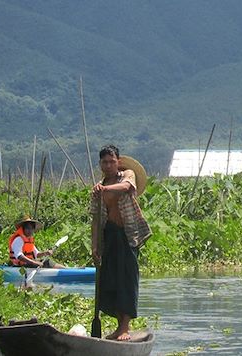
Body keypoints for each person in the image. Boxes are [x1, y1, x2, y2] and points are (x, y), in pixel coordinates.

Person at [91, 145, 151, 341]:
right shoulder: (98, 189)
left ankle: (125, 327)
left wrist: (105, 188)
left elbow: (126, 187)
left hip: (128, 235)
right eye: (104, 162)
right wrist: (95, 246)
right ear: (100, 164)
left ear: (118, 161)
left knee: (126, 279)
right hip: (109, 236)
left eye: (111, 161)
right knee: (110, 281)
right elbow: (96, 220)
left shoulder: (127, 175)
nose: (108, 165)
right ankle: (119, 326)